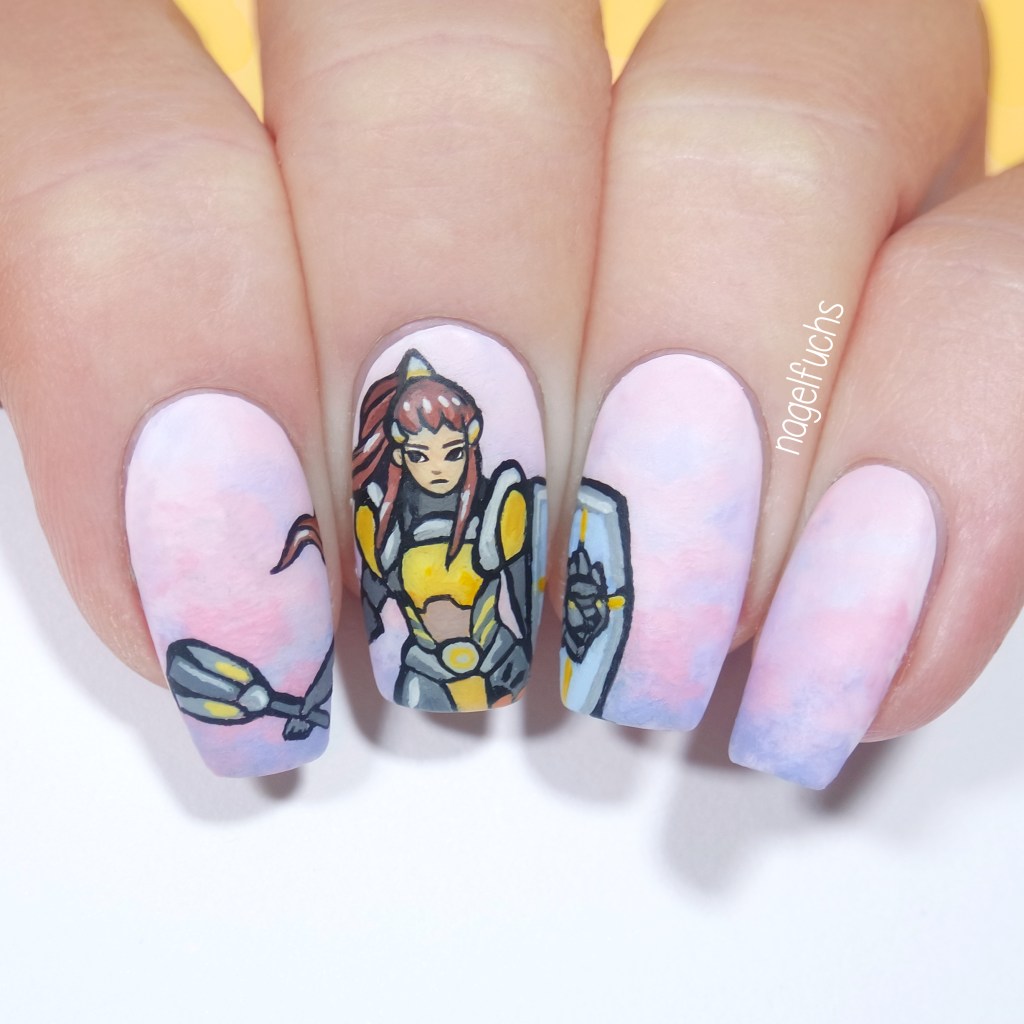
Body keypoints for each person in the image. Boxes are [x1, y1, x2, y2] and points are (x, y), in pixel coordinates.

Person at [352, 350, 542, 712]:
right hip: (424, 673)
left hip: (500, 664)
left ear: (470, 445)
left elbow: (522, 595)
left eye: (452, 452)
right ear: (400, 455)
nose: (437, 468)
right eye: (420, 455)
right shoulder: (382, 527)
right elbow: (376, 606)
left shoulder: (498, 510)